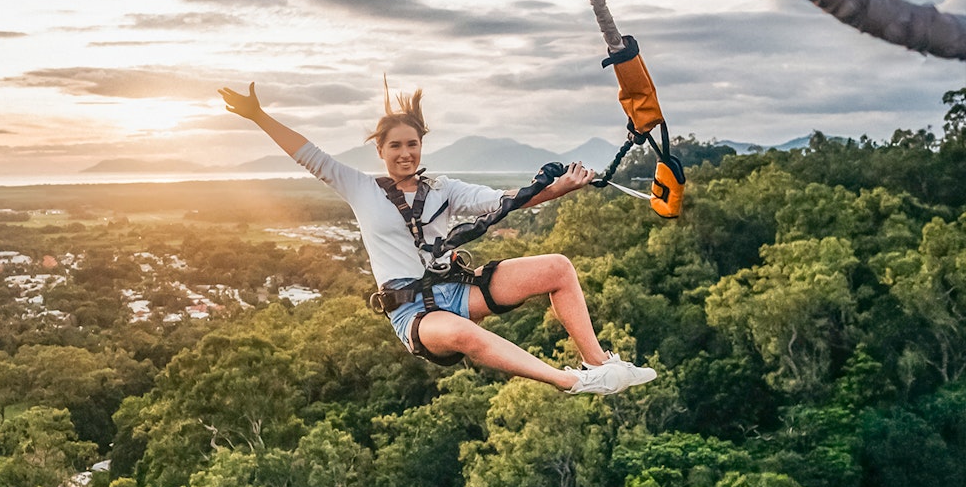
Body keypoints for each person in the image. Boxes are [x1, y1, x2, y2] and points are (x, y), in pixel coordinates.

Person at [218, 81, 656, 395]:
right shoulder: (360, 188)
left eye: (412, 144)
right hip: (413, 314)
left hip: (457, 289)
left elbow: (502, 201)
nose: (405, 153)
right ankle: (575, 383)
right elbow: (308, 154)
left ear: (421, 146)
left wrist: (558, 188)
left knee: (557, 268)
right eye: (395, 147)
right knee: (466, 336)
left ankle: (599, 364)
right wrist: (259, 116)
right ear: (380, 151)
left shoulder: (443, 190)